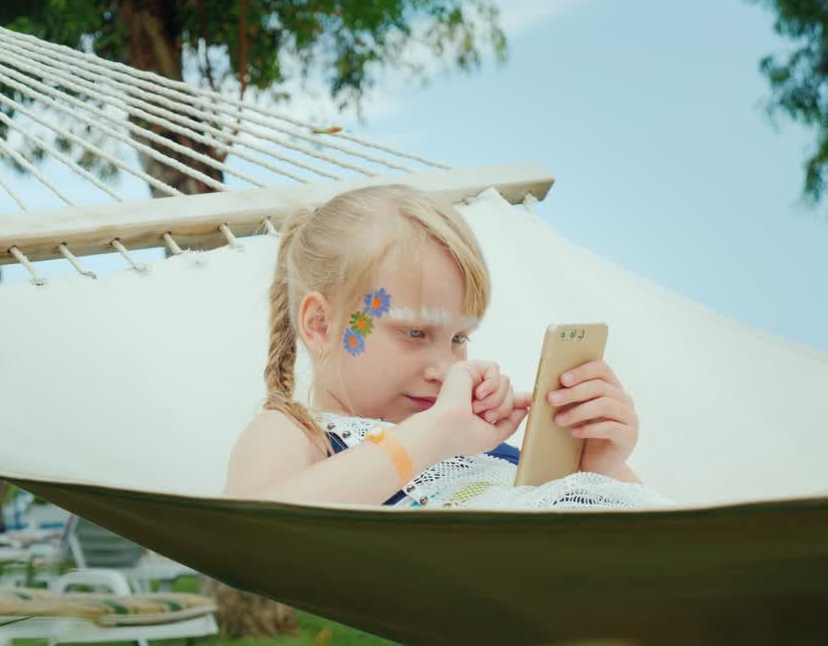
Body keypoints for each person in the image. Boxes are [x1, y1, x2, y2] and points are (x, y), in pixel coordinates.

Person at [223, 185, 645, 508]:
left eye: (459, 338)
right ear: (321, 325)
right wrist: (432, 434)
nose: (445, 369)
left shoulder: (481, 446)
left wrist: (598, 468)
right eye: (415, 334)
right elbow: (250, 529)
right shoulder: (297, 434)